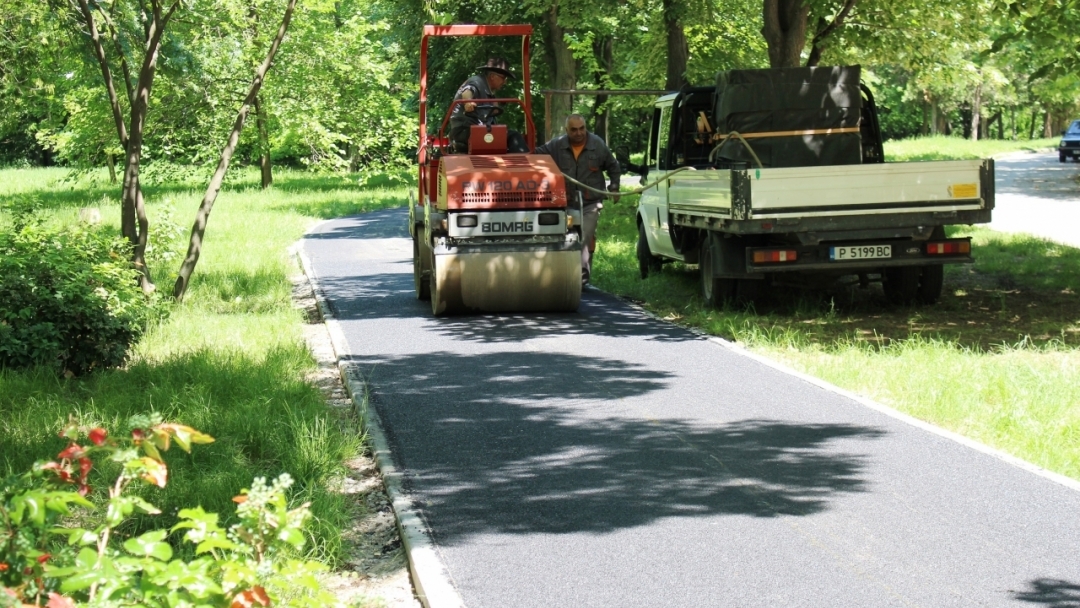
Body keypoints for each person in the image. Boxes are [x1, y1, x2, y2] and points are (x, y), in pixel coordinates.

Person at [534, 114, 621, 286]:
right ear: (567, 130)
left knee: (584, 236)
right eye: (574, 130)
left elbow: (613, 166)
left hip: (591, 203)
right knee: (561, 238)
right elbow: (535, 156)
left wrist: (615, 187)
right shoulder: (556, 145)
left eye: (582, 128)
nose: (579, 133)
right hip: (563, 203)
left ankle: (580, 278)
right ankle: (557, 276)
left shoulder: (597, 144)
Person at [449, 57, 524, 153]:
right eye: (503, 78)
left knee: (505, 140)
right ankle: (527, 164)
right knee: (514, 136)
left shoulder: (489, 91)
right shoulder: (477, 82)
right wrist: (468, 102)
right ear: (492, 76)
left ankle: (515, 165)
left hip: (478, 129)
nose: (505, 82)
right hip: (463, 130)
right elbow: (467, 91)